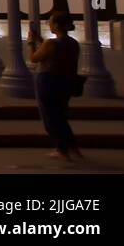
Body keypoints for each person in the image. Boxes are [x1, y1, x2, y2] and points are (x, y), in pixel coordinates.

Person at [29, 10, 84, 161]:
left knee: (50, 117)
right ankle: (73, 148)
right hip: (66, 82)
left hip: (48, 81)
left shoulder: (51, 43)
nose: (50, 25)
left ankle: (61, 149)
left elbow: (34, 58)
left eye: (51, 22)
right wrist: (40, 40)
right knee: (61, 116)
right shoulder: (73, 43)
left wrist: (31, 43)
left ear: (57, 25)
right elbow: (54, 53)